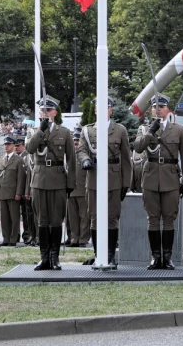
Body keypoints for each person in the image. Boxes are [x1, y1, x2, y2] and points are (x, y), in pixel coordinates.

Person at [134, 93, 183, 270]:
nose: (158, 109)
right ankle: (155, 257)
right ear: (150, 109)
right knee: (152, 219)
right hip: (150, 177)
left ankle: (167, 258)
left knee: (169, 219)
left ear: (168, 109)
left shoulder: (178, 129)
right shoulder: (144, 129)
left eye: (161, 106)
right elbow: (138, 147)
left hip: (171, 178)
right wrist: (151, 131)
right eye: (154, 107)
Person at [77, 100, 134, 267]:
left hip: (114, 179)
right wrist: (86, 160)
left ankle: (110, 255)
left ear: (111, 110)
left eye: (106, 107)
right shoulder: (87, 130)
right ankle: (98, 254)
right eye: (99, 108)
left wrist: (126, 183)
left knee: (112, 218)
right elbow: (81, 150)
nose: (103, 110)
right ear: (95, 110)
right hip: (94, 177)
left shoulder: (120, 130)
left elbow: (126, 158)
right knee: (94, 217)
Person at [26, 95, 78, 271]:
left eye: (49, 110)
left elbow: (71, 159)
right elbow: (29, 149)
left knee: (56, 219)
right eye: (43, 110)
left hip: (57, 179)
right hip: (39, 179)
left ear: (55, 112)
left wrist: (71, 182)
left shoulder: (64, 132)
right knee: (42, 220)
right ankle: (44, 257)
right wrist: (41, 130)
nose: (45, 112)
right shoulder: (33, 131)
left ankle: (55, 257)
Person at [0, 135, 25, 247]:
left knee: (14, 217)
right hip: (3, 192)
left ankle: (13, 238)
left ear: (13, 145)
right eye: (5, 144)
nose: (6, 146)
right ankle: (6, 238)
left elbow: (20, 178)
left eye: (8, 144)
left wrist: (18, 193)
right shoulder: (1, 159)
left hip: (13, 193)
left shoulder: (18, 160)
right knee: (4, 218)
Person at [66, 131, 90, 247]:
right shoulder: (68, 157)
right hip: (70, 191)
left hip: (83, 190)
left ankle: (83, 239)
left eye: (77, 143)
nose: (75, 145)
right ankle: (74, 238)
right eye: (74, 143)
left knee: (84, 216)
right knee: (73, 218)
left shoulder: (86, 156)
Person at [17, 137, 37, 245]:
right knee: (27, 215)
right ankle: (30, 235)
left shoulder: (33, 156)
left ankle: (37, 236)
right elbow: (25, 177)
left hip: (35, 190)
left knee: (36, 215)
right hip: (27, 191)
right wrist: (25, 191)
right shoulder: (25, 158)